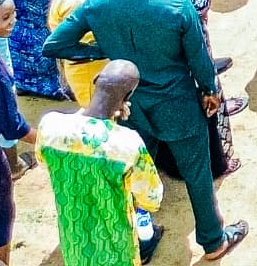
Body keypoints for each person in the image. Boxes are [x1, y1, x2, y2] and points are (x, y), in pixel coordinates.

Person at [44, 0, 246, 260]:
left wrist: (101, 49)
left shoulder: (96, 6)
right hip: (177, 105)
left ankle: (142, 234)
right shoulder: (175, 6)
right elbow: (200, 61)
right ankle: (213, 241)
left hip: (131, 106)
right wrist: (210, 91)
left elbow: (54, 46)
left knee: (134, 170)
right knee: (197, 173)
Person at [39, 59, 166, 266]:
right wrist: (115, 123)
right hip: (116, 247)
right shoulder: (127, 144)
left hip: (74, 241)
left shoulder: (50, 126)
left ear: (96, 79)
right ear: (128, 98)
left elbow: (46, 161)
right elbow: (151, 198)